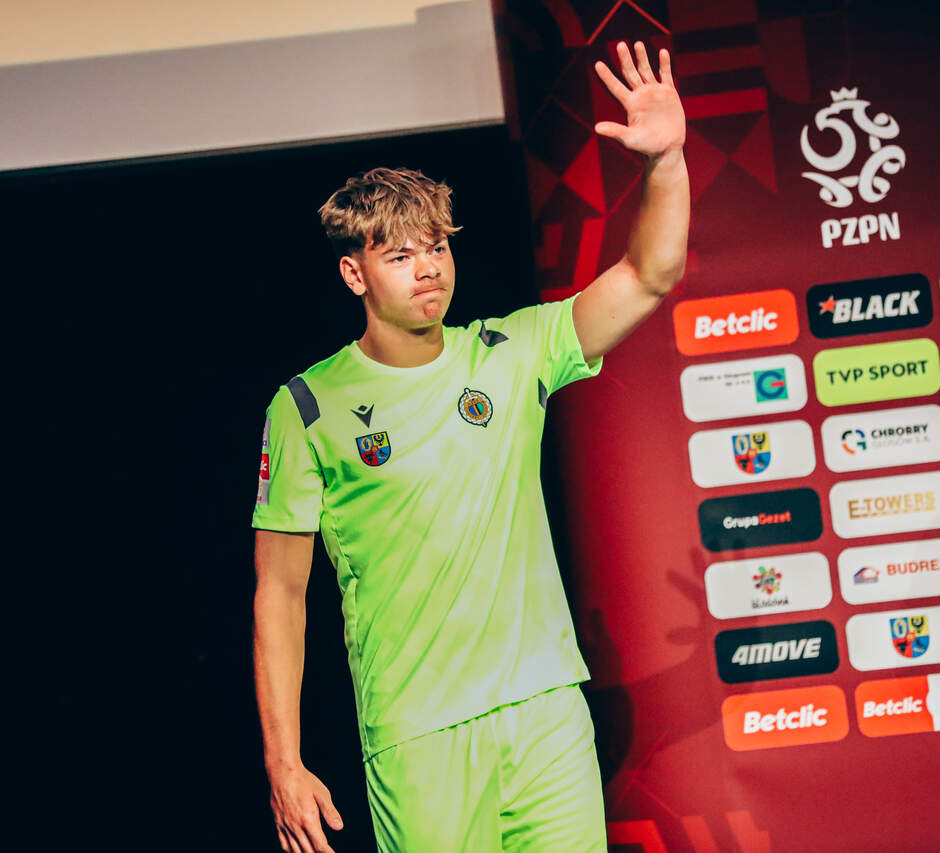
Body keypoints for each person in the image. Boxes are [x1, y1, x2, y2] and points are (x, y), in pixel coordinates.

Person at [252, 41, 689, 853]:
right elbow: (280, 593)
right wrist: (285, 760)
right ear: (354, 274)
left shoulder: (512, 351)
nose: (428, 269)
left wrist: (665, 161)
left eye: (437, 247)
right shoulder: (307, 405)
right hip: (418, 732)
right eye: (400, 254)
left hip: (546, 710)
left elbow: (650, 274)